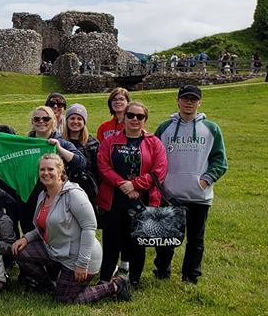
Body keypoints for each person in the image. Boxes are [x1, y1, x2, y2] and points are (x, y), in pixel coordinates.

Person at [13, 154, 130, 304]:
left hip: (79, 256)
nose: (45, 173)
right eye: (42, 169)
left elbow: (89, 227)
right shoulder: (43, 195)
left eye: (50, 169)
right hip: (56, 250)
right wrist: (25, 238)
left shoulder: (73, 194)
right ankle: (51, 286)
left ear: (60, 171)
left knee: (65, 300)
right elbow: (45, 225)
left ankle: (116, 286)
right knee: (20, 252)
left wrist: (82, 264)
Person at [153, 85, 228, 284]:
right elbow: (154, 158)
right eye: (185, 98)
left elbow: (220, 161)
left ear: (199, 102)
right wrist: (161, 187)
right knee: (165, 238)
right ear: (177, 101)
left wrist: (205, 181)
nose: (189, 102)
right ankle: (162, 271)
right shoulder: (164, 128)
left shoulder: (211, 129)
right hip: (169, 195)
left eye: (193, 99)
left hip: (199, 196)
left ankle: (191, 276)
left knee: (195, 241)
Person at [97, 101, 168, 287]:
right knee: (111, 242)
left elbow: (159, 170)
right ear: (124, 117)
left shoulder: (154, 143)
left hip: (142, 201)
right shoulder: (110, 141)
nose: (134, 119)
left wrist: (135, 184)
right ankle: (105, 278)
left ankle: (134, 280)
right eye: (130, 115)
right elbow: (103, 166)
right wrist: (122, 184)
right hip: (114, 200)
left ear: (145, 119)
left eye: (139, 116)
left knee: (137, 242)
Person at [19, 106, 87, 234]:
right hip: (29, 201)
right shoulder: (24, 144)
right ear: (32, 122)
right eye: (37, 118)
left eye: (46, 118)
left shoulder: (62, 142)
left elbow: (81, 163)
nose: (41, 121)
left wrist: (59, 149)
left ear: (53, 121)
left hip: (55, 201)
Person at [61, 103, 99, 204]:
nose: (75, 122)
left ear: (84, 122)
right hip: (63, 189)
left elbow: (97, 170)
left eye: (79, 119)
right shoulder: (60, 142)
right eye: (72, 118)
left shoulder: (93, 143)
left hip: (87, 191)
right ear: (67, 120)